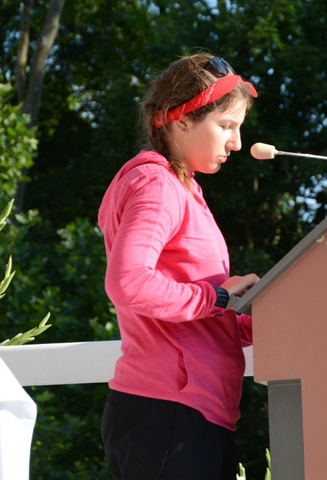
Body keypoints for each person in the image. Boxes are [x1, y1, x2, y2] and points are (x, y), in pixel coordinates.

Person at [97, 53, 261, 479]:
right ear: (179, 119)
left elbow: (194, 312)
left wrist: (253, 313)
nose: (236, 143)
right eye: (226, 126)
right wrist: (219, 296)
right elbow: (129, 283)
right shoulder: (156, 184)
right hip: (168, 411)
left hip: (189, 413)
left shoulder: (181, 188)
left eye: (238, 128)